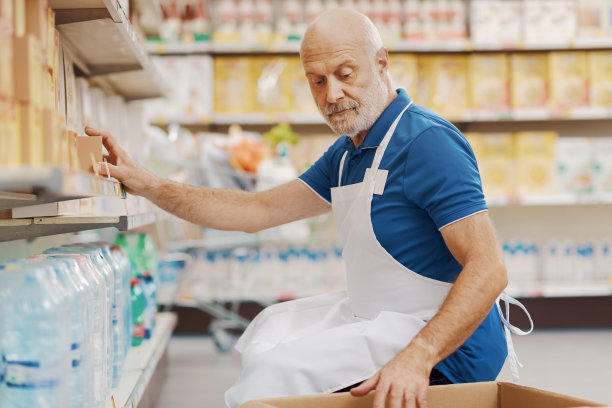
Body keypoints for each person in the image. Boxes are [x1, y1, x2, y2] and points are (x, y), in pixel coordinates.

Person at [87, 8, 531, 408]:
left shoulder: (427, 143)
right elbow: (254, 211)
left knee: (273, 374)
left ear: (381, 64)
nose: (332, 94)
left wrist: (417, 357)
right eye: (317, 80)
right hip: (384, 319)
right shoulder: (346, 155)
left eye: (345, 73)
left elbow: (489, 269)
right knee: (268, 330)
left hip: (450, 347)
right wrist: (145, 183)